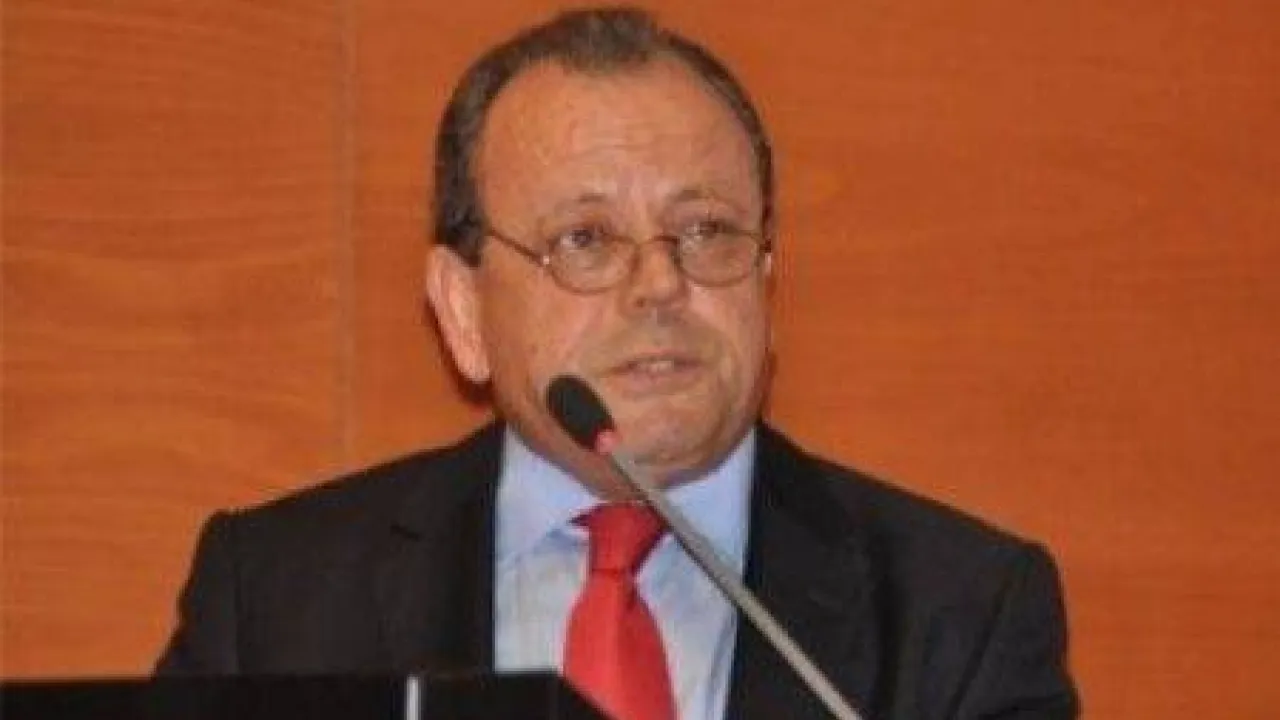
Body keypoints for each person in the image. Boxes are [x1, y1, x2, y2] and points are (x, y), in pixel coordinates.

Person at [156, 7, 1079, 719]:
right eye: (586, 239)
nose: (661, 286)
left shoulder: (960, 612)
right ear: (463, 309)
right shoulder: (278, 598)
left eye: (706, 231)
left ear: (767, 279)